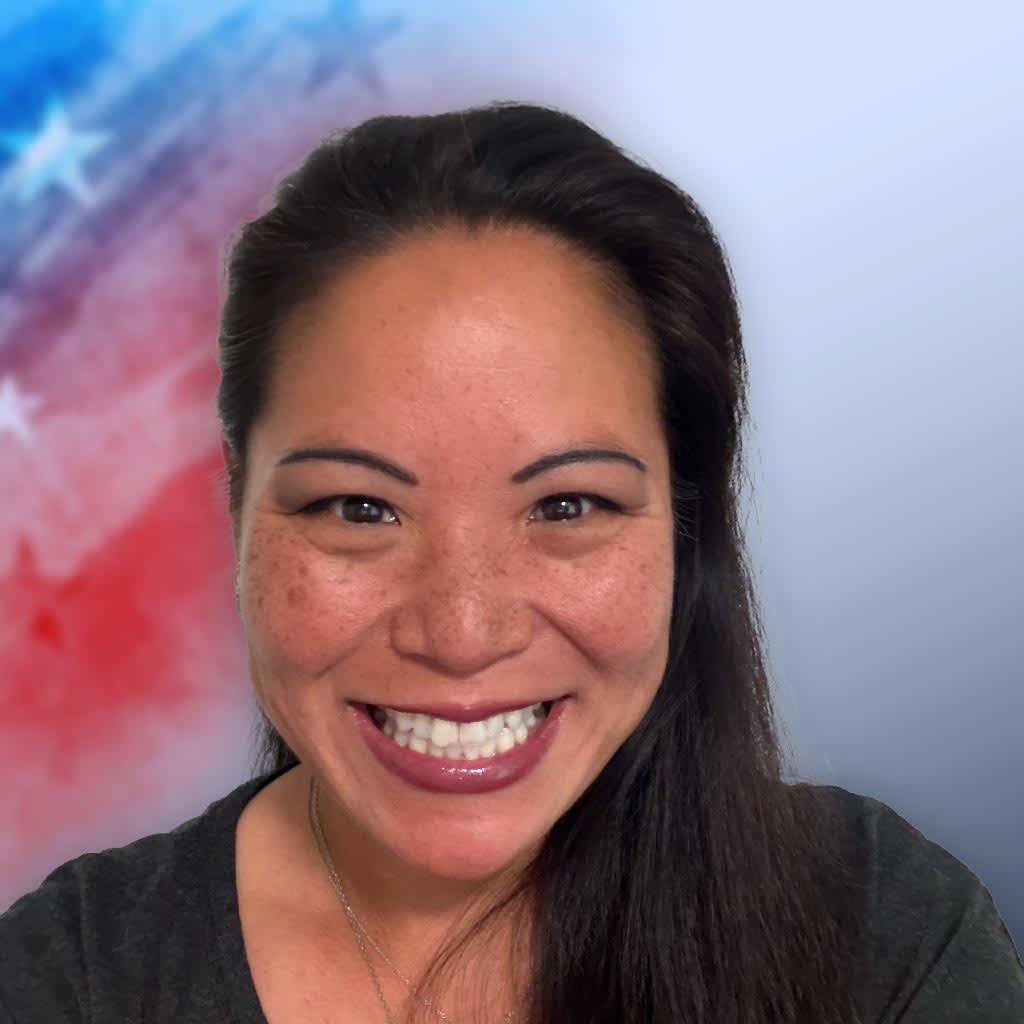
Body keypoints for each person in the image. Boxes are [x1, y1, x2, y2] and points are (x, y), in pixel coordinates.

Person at [1, 101, 1021, 1024]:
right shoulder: (69, 979)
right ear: (238, 506)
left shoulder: (881, 934)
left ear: (682, 518)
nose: (462, 633)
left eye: (566, 505)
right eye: (359, 507)